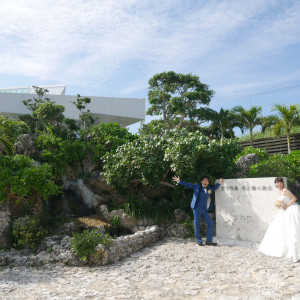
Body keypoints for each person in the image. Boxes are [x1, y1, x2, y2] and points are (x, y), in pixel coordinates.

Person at [172, 175, 224, 246]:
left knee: (210, 223)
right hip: (197, 209)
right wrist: (179, 181)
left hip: (204, 210)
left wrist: (219, 183)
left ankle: (209, 241)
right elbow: (189, 185)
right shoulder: (197, 186)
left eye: (207, 181)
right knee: (197, 225)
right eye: (204, 180)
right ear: (201, 181)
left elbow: (214, 188)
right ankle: (199, 241)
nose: (206, 182)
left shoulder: (208, 189)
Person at [259, 177, 300, 263]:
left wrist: (286, 206)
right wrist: (280, 205)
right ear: (275, 184)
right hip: (283, 211)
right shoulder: (278, 192)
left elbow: (294, 198)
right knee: (281, 230)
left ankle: (295, 251)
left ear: (282, 183)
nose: (278, 184)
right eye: (277, 183)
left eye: (280, 182)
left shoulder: (285, 190)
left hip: (291, 209)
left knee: (292, 230)